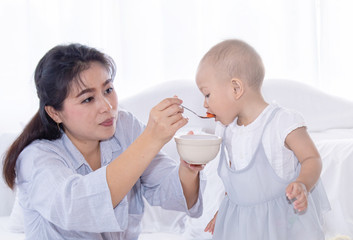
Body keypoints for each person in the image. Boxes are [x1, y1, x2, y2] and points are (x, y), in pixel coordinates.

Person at [2, 43, 205, 239]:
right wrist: (151, 139)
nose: (107, 106)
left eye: (108, 90)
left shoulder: (124, 126)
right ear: (55, 113)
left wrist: (189, 167)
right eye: (88, 99)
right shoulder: (35, 158)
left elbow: (175, 194)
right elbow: (78, 208)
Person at [196, 39, 330, 239]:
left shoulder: (282, 122)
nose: (204, 104)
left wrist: (303, 183)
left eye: (207, 94)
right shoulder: (227, 130)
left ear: (236, 88)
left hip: (282, 222)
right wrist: (224, 214)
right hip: (244, 224)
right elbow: (238, 184)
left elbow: (312, 159)